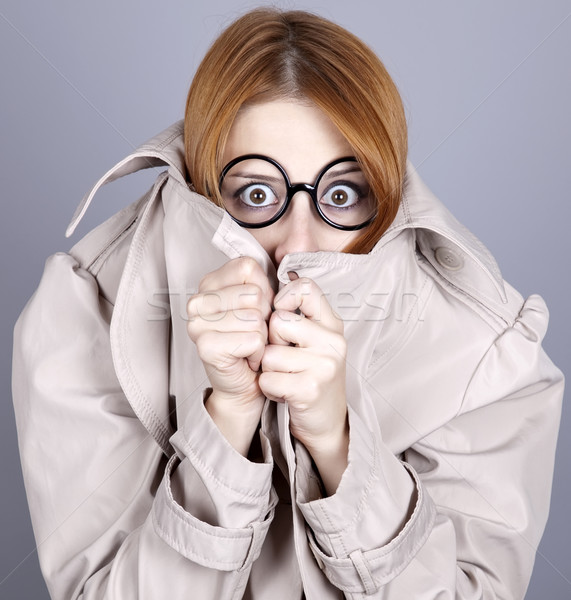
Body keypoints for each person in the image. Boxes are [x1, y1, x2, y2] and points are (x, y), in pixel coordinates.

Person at [12, 7, 563, 600]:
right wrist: (225, 422)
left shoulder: (488, 350)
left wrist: (338, 440)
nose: (298, 245)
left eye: (343, 193)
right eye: (256, 193)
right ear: (203, 186)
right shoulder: (87, 313)